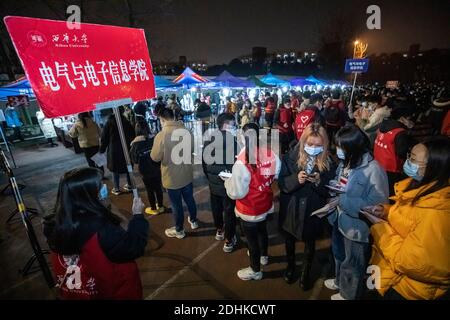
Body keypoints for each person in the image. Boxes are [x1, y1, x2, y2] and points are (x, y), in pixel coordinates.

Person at [43, 167, 148, 299]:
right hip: (114, 289)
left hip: (80, 291)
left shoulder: (53, 223)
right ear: (87, 194)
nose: (103, 187)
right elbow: (133, 248)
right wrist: (138, 216)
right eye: (98, 186)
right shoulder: (100, 227)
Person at [368, 137, 450, 300]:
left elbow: (410, 262)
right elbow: (410, 218)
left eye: (413, 159)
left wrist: (380, 229)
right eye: (408, 156)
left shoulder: (436, 214)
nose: (407, 162)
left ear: (434, 168)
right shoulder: (423, 188)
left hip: (406, 289)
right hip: (387, 272)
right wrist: (386, 211)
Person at [325, 125, 389, 300]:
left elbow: (377, 205)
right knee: (339, 255)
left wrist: (343, 201)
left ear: (353, 148)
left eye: (341, 147)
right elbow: (341, 181)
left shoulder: (374, 170)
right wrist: (333, 186)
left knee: (353, 264)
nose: (337, 150)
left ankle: (348, 295)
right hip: (339, 219)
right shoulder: (347, 162)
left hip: (356, 228)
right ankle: (340, 282)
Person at [279, 123, 337, 290]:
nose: (313, 148)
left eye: (318, 145)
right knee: (289, 239)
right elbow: (282, 183)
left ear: (324, 145)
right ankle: (290, 267)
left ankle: (306, 272)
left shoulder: (329, 162)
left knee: (310, 243)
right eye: (310, 144)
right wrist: (296, 179)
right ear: (303, 141)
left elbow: (329, 189)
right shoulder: (290, 156)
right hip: (292, 206)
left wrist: (319, 182)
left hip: (313, 207)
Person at [224, 123, 281, 281]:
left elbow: (237, 192)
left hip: (249, 208)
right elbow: (274, 174)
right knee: (263, 231)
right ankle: (264, 256)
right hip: (265, 203)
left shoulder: (242, 162)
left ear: (242, 137)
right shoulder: (270, 154)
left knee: (252, 240)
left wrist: (227, 182)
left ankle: (255, 270)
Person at [151, 108, 198, 239]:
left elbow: (155, 157)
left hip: (171, 177)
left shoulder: (161, 135)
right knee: (190, 199)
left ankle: (179, 230)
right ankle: (194, 221)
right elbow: (192, 149)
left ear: (162, 119)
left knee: (176, 205)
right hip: (187, 174)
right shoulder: (187, 131)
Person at [202, 113, 238, 252]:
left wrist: (211, 178)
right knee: (229, 212)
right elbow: (237, 164)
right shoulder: (234, 142)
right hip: (228, 184)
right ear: (226, 125)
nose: (235, 127)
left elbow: (204, 165)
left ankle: (219, 230)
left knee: (216, 209)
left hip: (213, 183)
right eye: (233, 125)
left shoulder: (208, 141)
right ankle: (229, 240)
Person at [374, 105, 415, 196]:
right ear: (402, 119)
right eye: (409, 118)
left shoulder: (383, 126)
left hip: (379, 163)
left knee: (382, 187)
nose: (411, 120)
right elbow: (401, 152)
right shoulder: (400, 132)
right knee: (392, 191)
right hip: (392, 167)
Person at [130, 121, 166, 215]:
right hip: (156, 167)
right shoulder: (153, 139)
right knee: (158, 187)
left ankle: (153, 208)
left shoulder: (135, 144)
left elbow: (135, 160)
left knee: (149, 189)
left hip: (145, 171)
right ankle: (161, 206)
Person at [100, 107, 135, 195]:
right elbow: (132, 134)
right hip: (126, 148)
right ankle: (130, 185)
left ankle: (116, 188)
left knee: (114, 169)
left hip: (114, 149)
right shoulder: (126, 121)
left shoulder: (109, 123)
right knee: (127, 165)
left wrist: (102, 149)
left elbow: (104, 138)